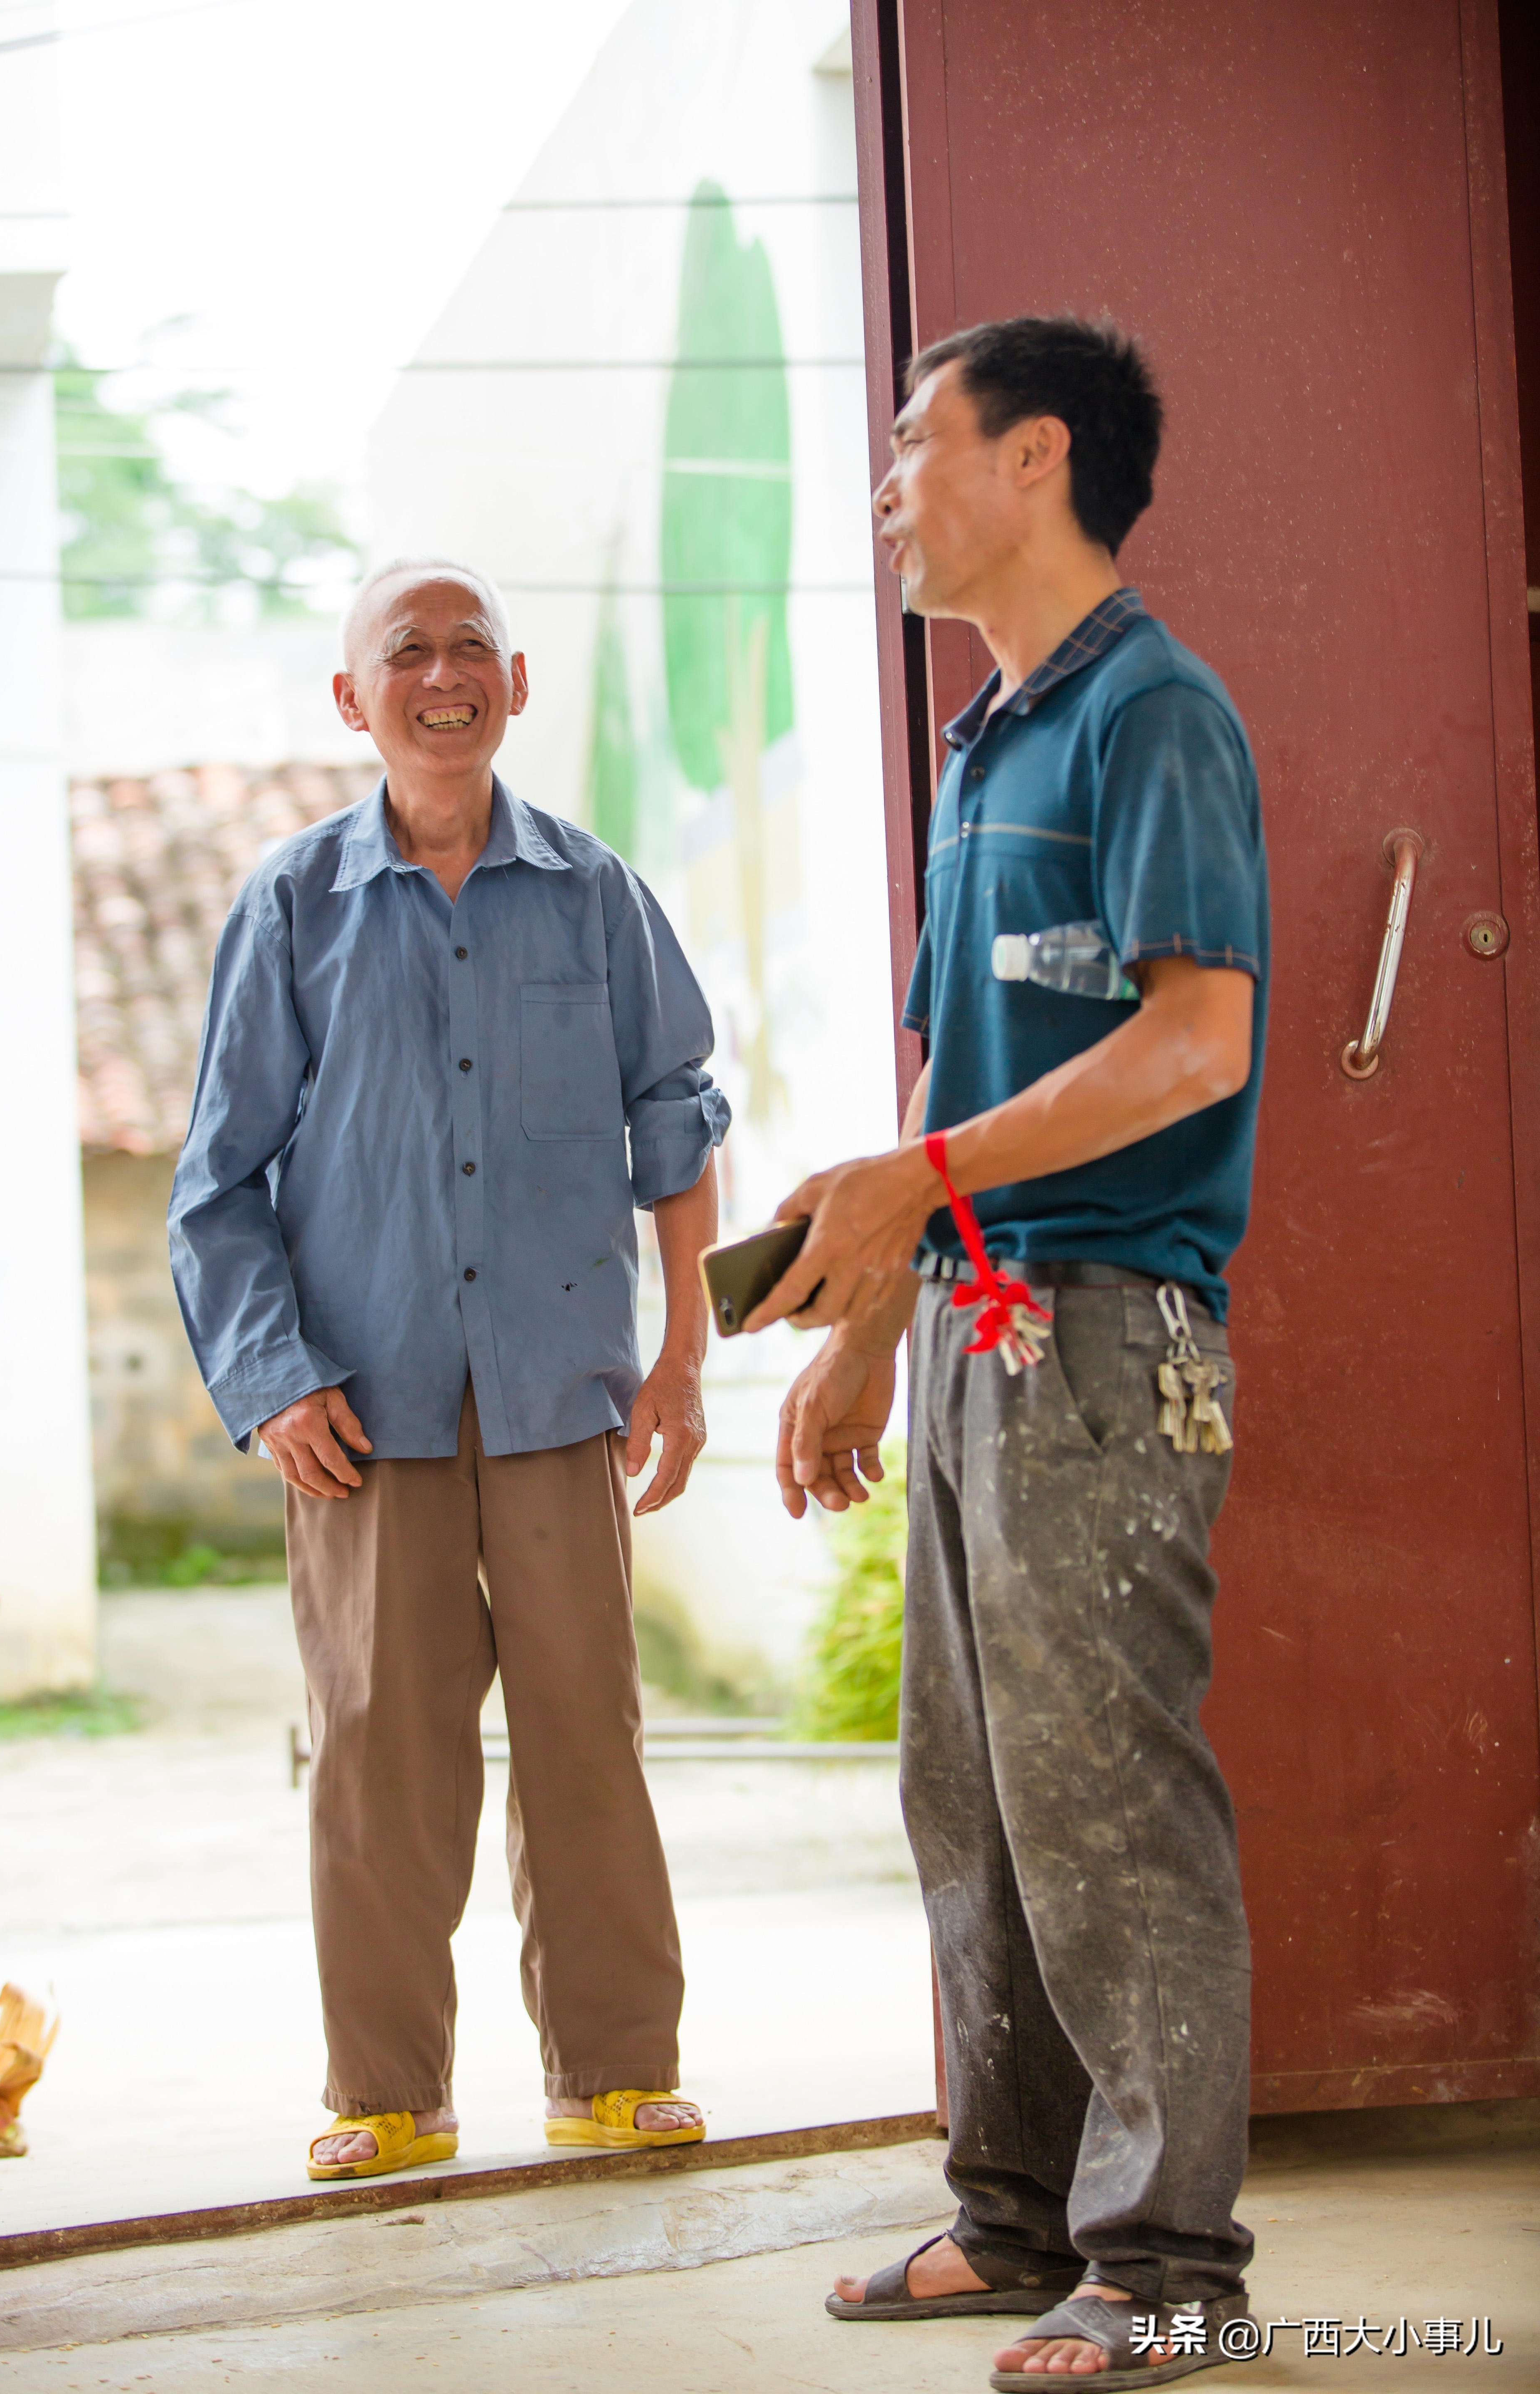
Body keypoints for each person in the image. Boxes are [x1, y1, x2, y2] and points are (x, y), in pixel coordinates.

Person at [749, 319, 1268, 2386]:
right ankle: (1017, 2220)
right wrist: (869, 1325)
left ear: (1034, 454)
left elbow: (1199, 1039)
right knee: (971, 1802)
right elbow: (952, 1080)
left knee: (1107, 1805)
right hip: (978, 1331)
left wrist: (913, 1183)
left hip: (1111, 1337)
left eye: (912, 440)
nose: (889, 482)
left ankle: (1170, 2278)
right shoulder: (984, 746)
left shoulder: (1156, 715)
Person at [170, 560, 729, 2180]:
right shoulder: (293, 906)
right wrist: (273, 1379)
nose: (441, 673)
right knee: (380, 1753)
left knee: (586, 1738)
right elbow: (219, 1181)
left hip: (562, 1396)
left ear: (516, 680)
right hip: (363, 1408)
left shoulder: (598, 893)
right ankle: (388, 2097)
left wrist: (685, 1359)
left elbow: (677, 1123)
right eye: (404, 652)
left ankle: (617, 2071)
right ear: (355, 699)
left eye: (469, 646)